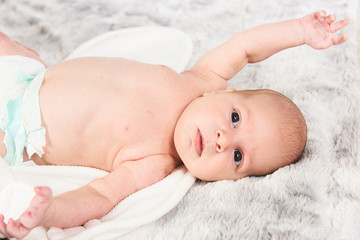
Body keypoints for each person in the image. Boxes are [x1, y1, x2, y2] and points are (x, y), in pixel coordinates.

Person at [0, 10, 348, 239]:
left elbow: (98, 197)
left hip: (13, 130)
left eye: (238, 157)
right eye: (235, 118)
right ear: (227, 90)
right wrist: (300, 31)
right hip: (30, 74)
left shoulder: (155, 164)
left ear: (233, 180)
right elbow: (245, 48)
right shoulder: (201, 79)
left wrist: (48, 211)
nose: (222, 140)